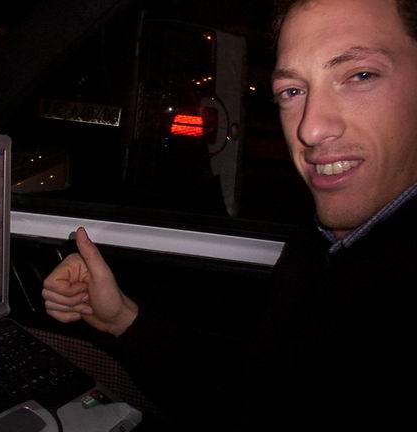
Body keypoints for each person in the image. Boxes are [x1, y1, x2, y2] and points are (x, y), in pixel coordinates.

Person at [42, 0, 417, 429]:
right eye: (292, 92)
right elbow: (249, 394)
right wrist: (121, 317)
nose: (310, 129)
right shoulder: (321, 242)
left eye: (361, 76)